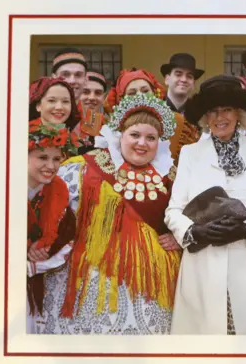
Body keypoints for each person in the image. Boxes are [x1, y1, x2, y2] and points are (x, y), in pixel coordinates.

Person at [37, 93, 181, 334]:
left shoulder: (173, 176)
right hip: (94, 281)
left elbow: (192, 220)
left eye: (151, 137)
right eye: (134, 135)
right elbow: (51, 215)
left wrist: (180, 238)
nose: (142, 144)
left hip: (151, 287)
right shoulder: (84, 167)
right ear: (120, 135)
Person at [164, 75, 246, 335]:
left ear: (240, 113)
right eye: (213, 111)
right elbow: (174, 210)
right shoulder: (190, 153)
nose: (220, 117)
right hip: (204, 266)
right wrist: (194, 232)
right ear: (204, 117)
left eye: (227, 109)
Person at [27, 120, 80, 333]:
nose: (51, 166)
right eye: (42, 157)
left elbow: (68, 238)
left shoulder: (59, 191)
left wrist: (43, 254)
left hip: (36, 282)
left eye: (57, 159)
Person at [104, 68, 198, 166]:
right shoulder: (112, 130)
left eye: (145, 91)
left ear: (154, 93)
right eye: (132, 93)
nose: (140, 96)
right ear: (121, 100)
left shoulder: (177, 123)